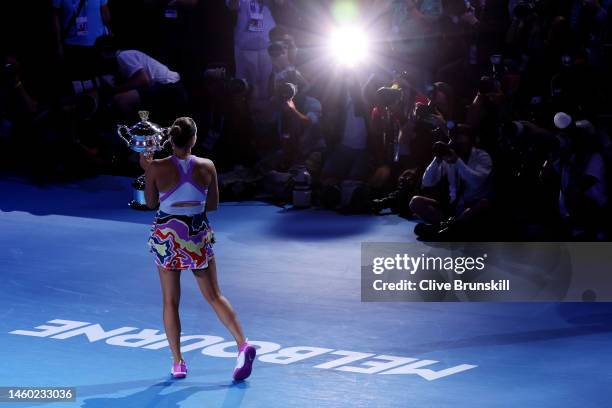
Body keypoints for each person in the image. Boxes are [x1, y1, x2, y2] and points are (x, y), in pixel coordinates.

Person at [140, 117, 256, 381]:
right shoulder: (208, 166)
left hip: (168, 237)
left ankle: (178, 362)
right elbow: (212, 205)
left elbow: (149, 203)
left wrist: (147, 169)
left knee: (170, 301)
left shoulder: (156, 167)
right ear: (193, 140)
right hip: (197, 234)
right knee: (215, 295)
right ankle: (242, 344)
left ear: (171, 140)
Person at [410, 124, 493, 239]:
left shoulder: (482, 156)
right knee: (416, 202)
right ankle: (449, 227)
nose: (459, 144)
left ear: (471, 141)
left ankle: (442, 229)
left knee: (483, 204)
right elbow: (427, 182)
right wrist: (437, 159)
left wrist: (457, 161)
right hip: (452, 208)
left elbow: (475, 183)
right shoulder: (449, 156)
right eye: (456, 140)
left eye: (462, 141)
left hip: (471, 206)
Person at [94, 35, 187, 120]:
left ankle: (135, 133)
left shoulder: (123, 56)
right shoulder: (122, 60)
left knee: (121, 99)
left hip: (170, 86)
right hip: (166, 86)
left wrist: (115, 90)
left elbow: (143, 80)